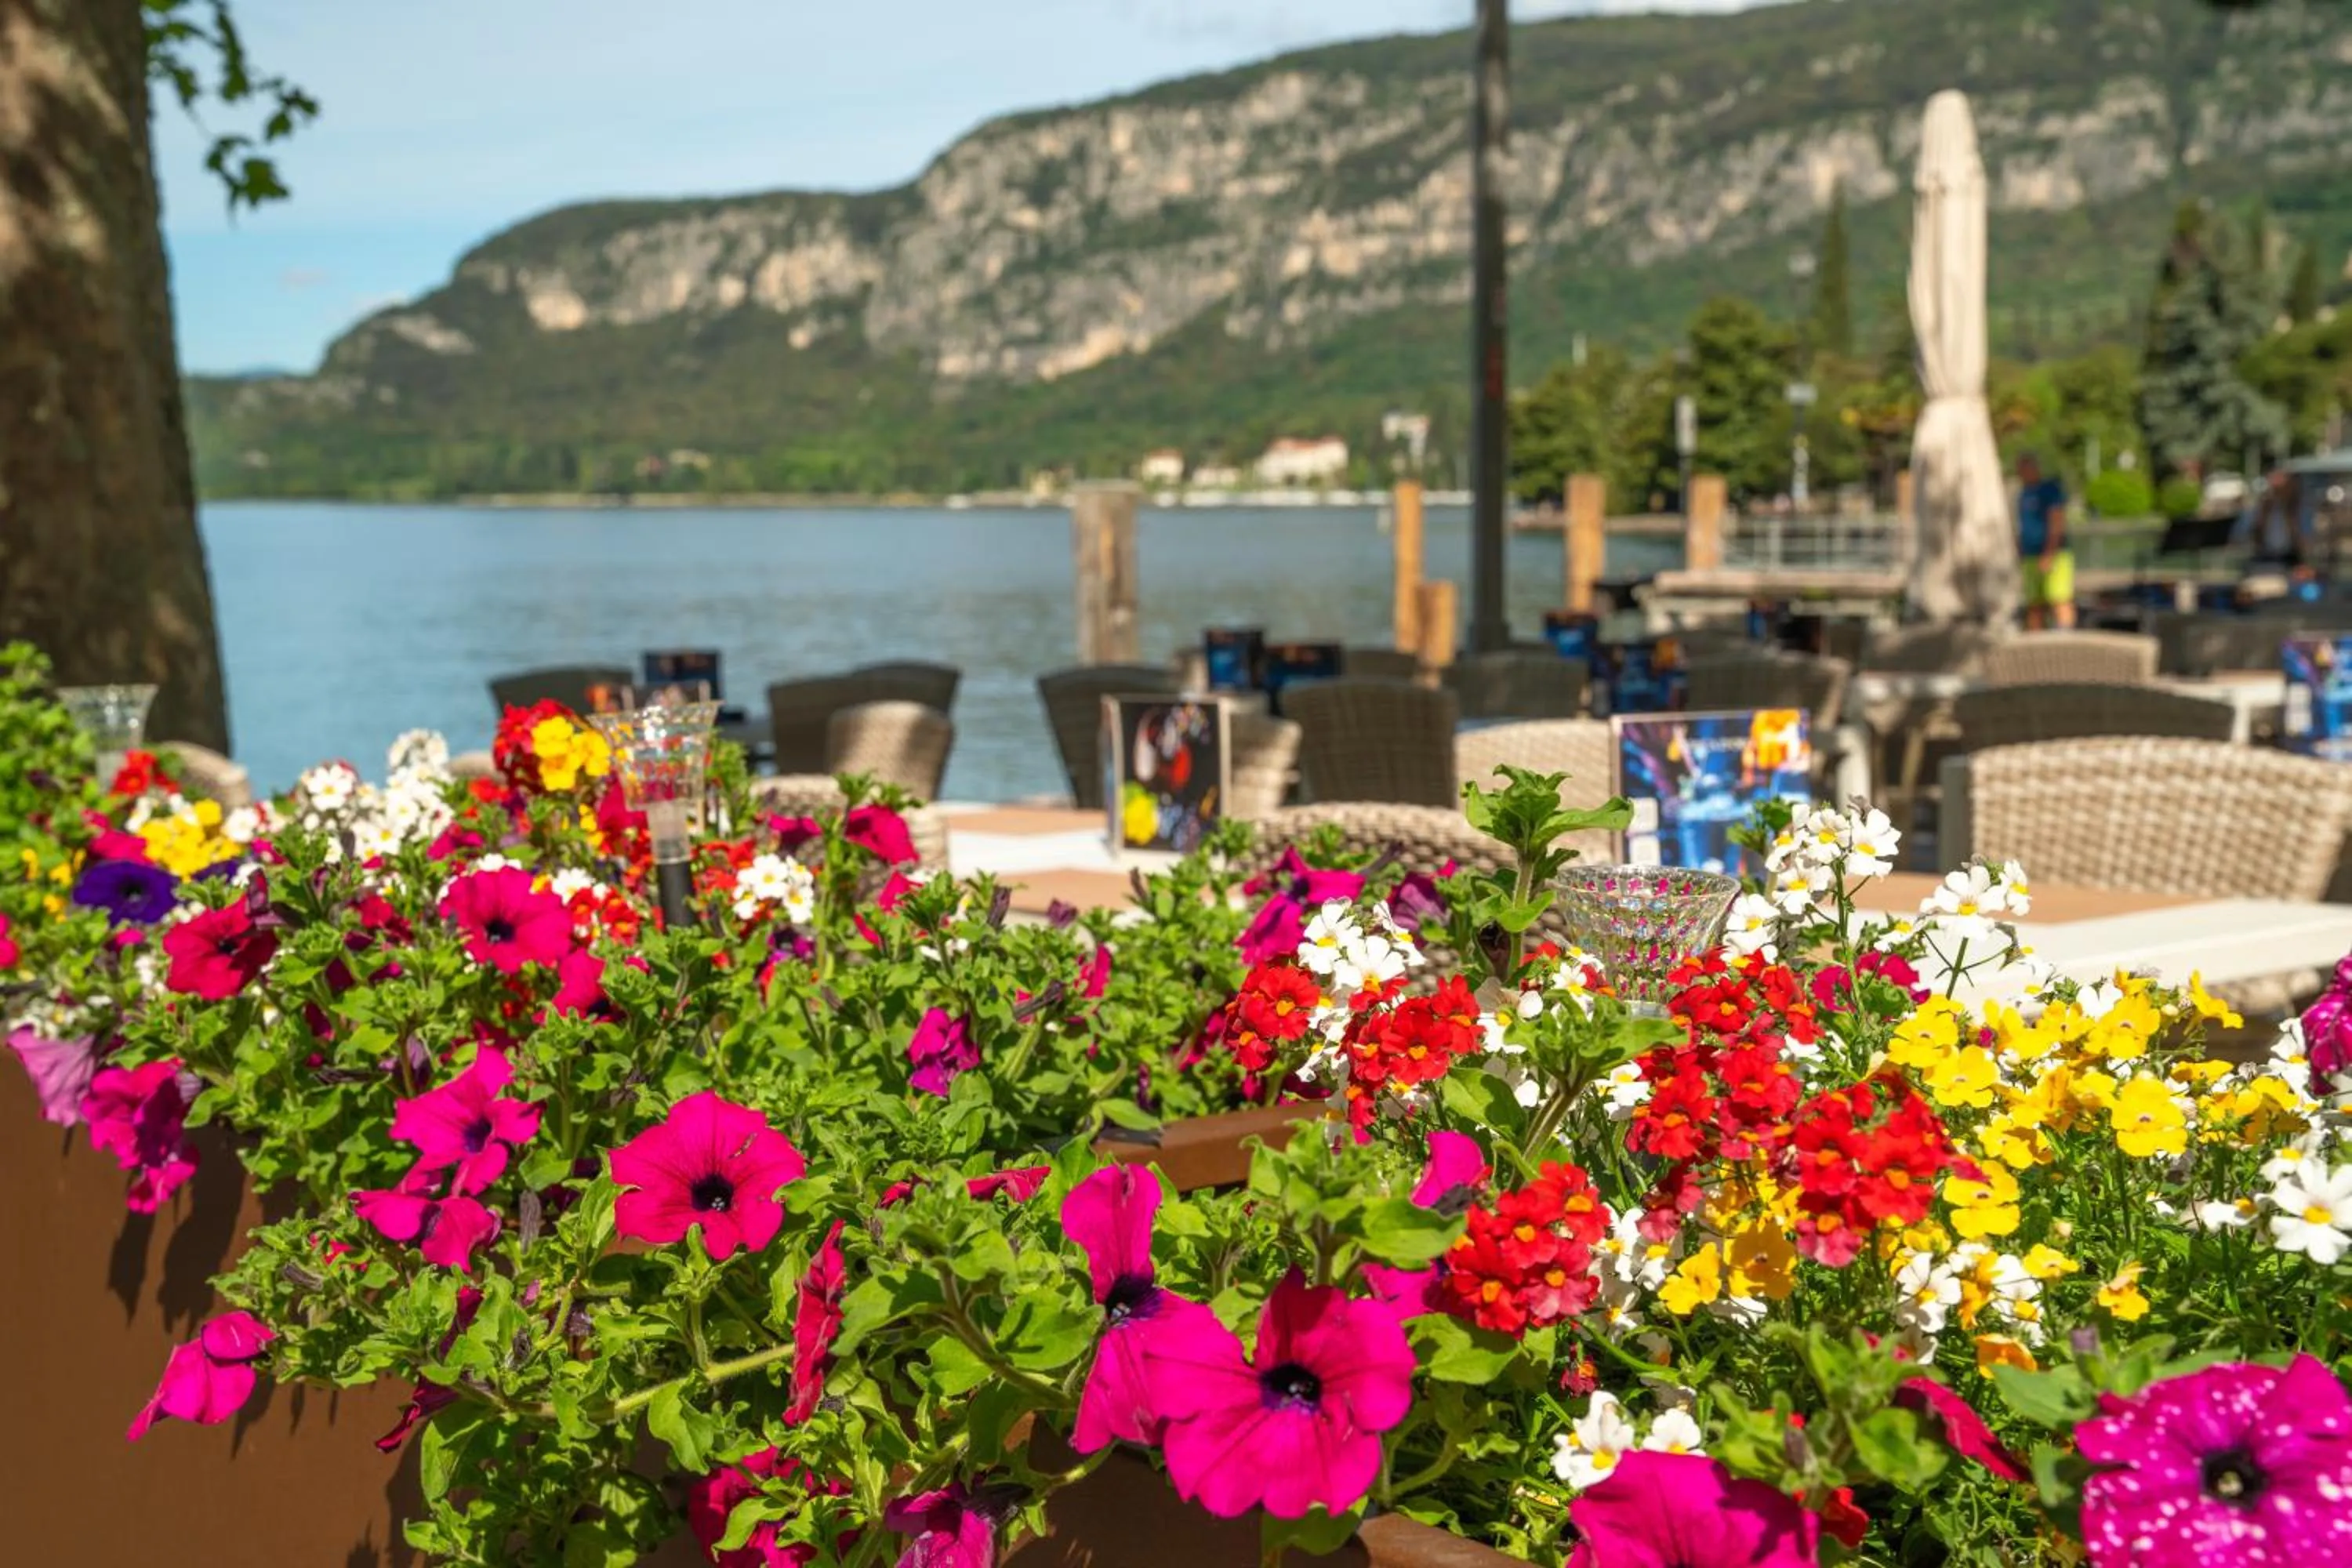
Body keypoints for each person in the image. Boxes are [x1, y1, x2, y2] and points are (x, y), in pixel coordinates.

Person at [2015, 455, 2073, 630]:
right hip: (2030, 555)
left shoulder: (2050, 490)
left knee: (2059, 599)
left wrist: (2050, 552)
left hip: (2054, 554)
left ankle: (2066, 637)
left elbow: (2056, 522)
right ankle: (2035, 643)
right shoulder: (2023, 494)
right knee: (2034, 603)